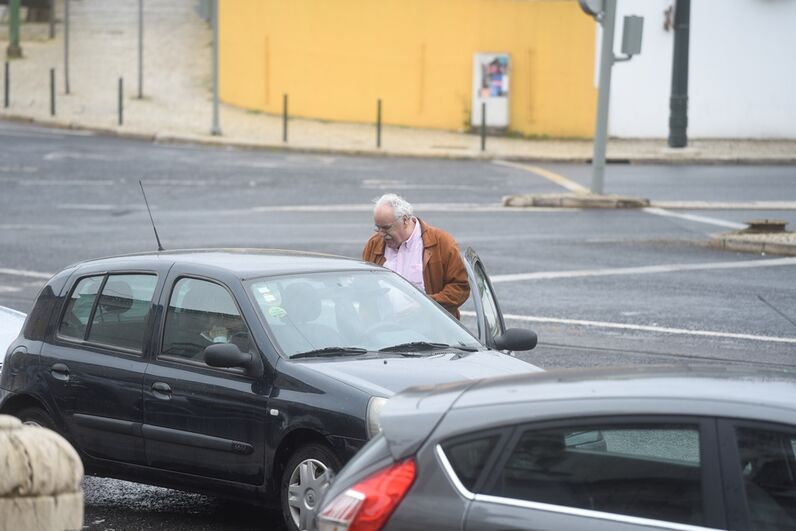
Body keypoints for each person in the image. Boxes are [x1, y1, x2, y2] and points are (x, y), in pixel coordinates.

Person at [362, 193, 470, 319]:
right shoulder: (374, 245)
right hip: (384, 331)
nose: (381, 234)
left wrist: (426, 305)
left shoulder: (441, 242)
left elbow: (460, 288)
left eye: (386, 228)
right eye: (377, 228)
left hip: (430, 331)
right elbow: (363, 287)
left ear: (405, 220)